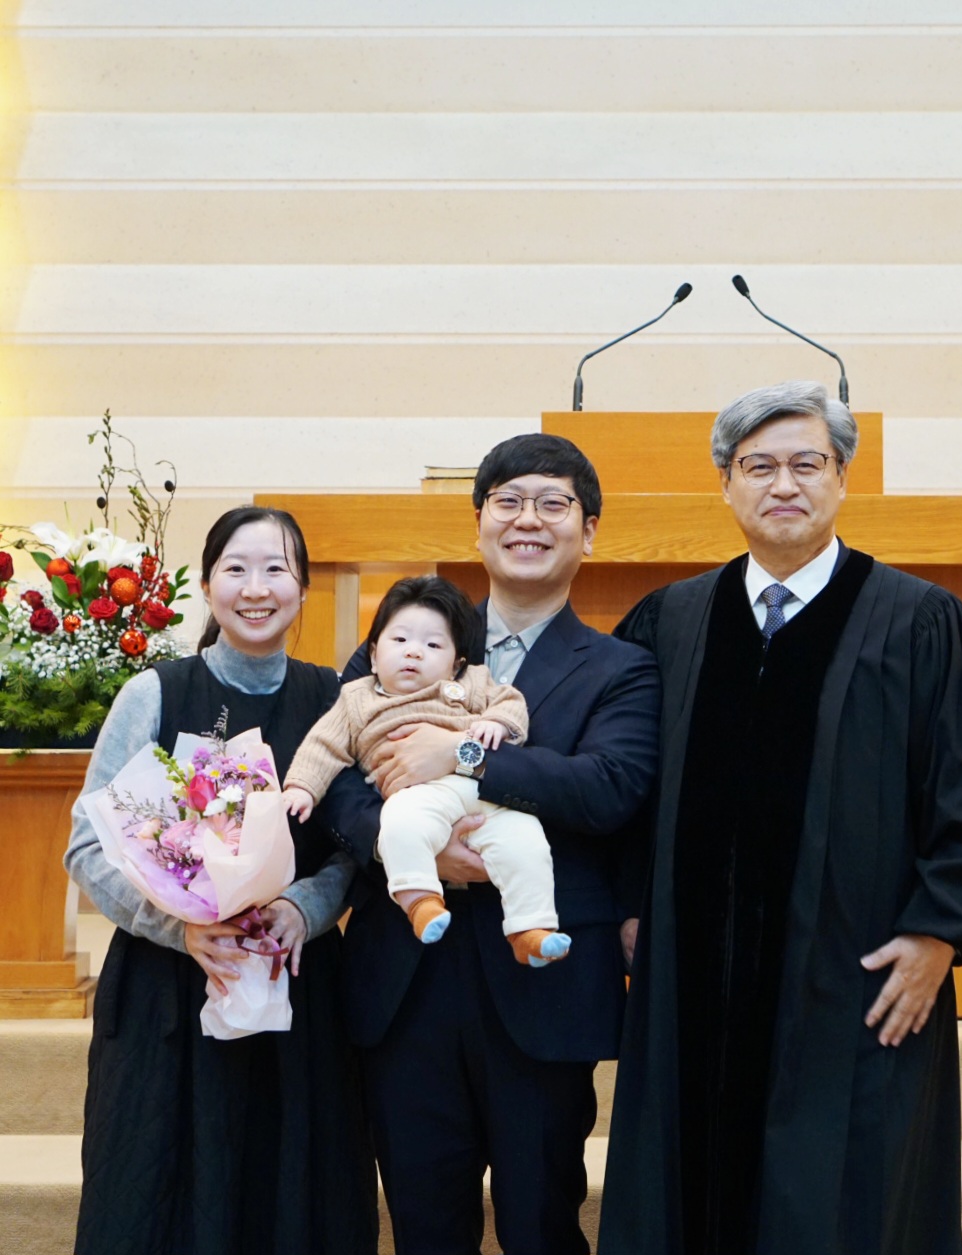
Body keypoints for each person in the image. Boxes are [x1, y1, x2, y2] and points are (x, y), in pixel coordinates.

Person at [598, 380, 962, 1255]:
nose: (783, 484)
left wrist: (939, 931)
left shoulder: (919, 622)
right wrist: (625, 902)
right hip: (690, 983)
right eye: (757, 466)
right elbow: (623, 780)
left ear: (841, 479)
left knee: (845, 1203)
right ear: (726, 485)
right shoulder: (672, 621)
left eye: (806, 464)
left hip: (854, 983)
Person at [319, 433, 661, 1255]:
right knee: (422, 1221)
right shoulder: (403, 643)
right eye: (507, 502)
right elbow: (336, 781)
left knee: (541, 1223)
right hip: (404, 976)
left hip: (542, 988)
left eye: (552, 504)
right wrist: (403, 850)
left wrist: (465, 755)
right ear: (478, 523)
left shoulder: (621, 666)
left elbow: (608, 786)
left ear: (588, 530)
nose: (527, 520)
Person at [64, 506, 379, 1255]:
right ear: (207, 585)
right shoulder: (155, 692)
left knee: (290, 1190)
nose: (256, 587)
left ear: (303, 587)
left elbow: (357, 846)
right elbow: (89, 842)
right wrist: (182, 925)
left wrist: (305, 906)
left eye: (276, 569)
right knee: (157, 1191)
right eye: (236, 568)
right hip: (167, 995)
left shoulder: (335, 700)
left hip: (296, 990)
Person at [283, 574, 571, 966]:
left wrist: (498, 723)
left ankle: (531, 929)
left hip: (483, 796)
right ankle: (420, 901)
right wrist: (302, 786)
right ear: (373, 655)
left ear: (456, 664)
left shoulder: (471, 683)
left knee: (527, 838)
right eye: (400, 640)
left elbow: (511, 702)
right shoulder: (356, 698)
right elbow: (323, 746)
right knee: (399, 823)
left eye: (433, 645)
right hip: (415, 795)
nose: (414, 652)